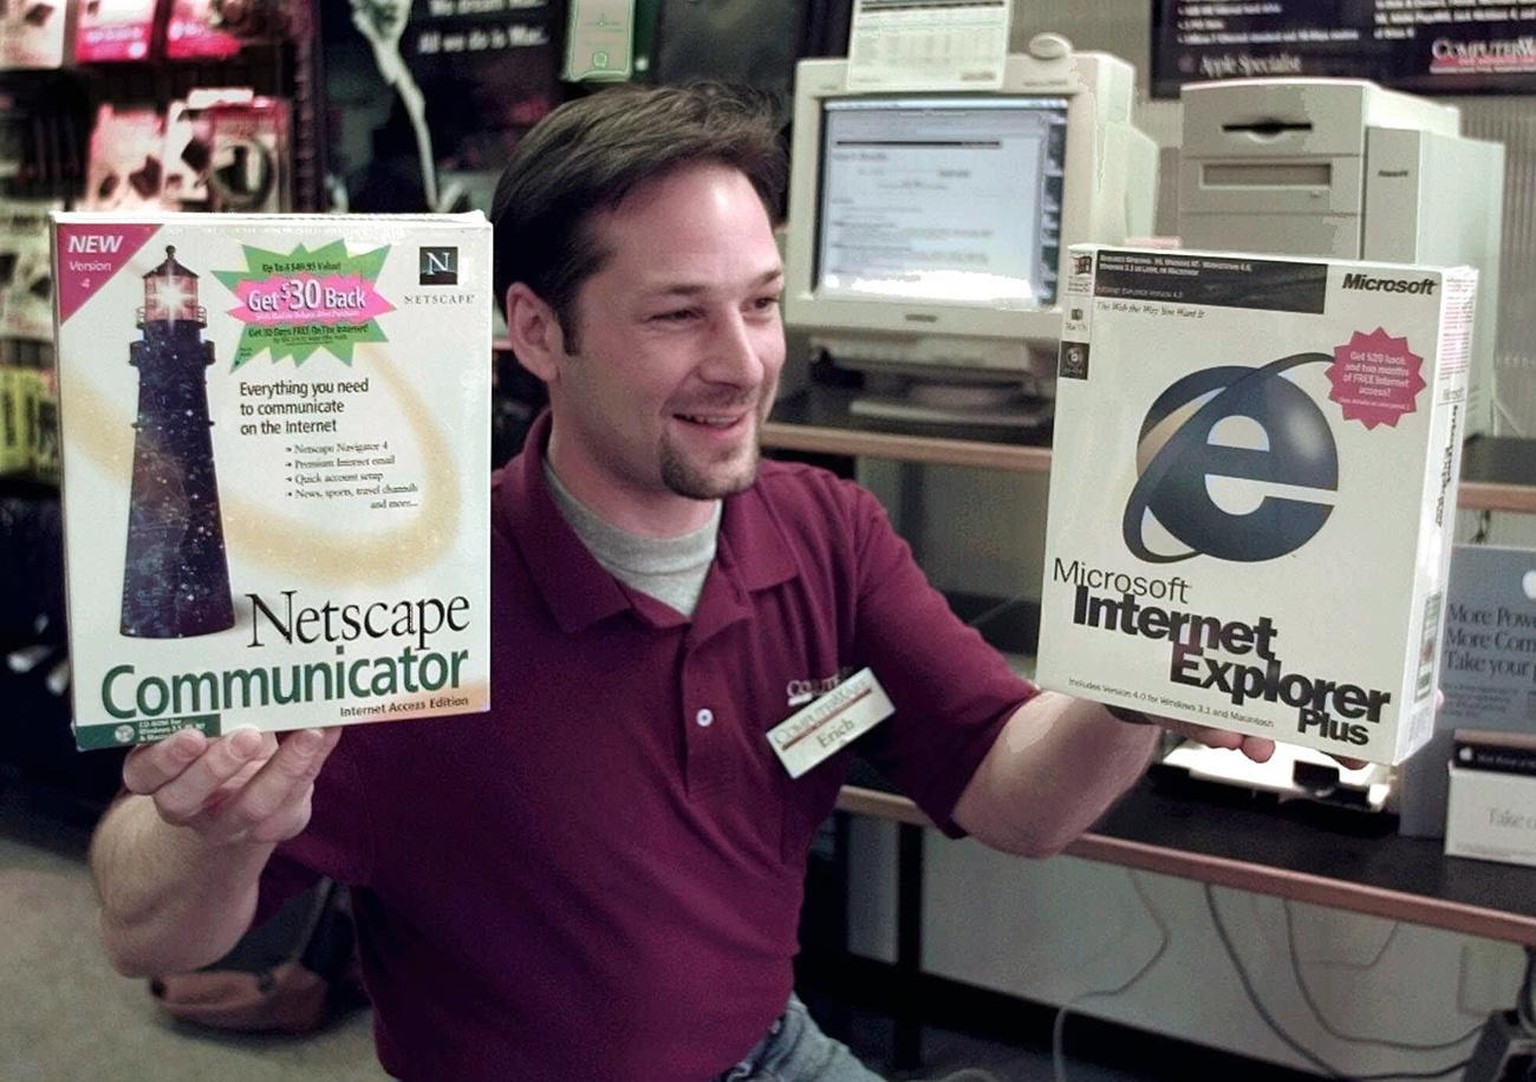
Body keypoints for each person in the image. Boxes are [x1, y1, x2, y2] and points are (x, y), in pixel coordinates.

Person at [87, 83, 1272, 1082]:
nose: (743, 362)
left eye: (759, 304)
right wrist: (217, 832)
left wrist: (1134, 685)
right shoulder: (412, 595)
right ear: (538, 332)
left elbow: (1021, 803)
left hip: (769, 1050)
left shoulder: (825, 526)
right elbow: (139, 917)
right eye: (677, 315)